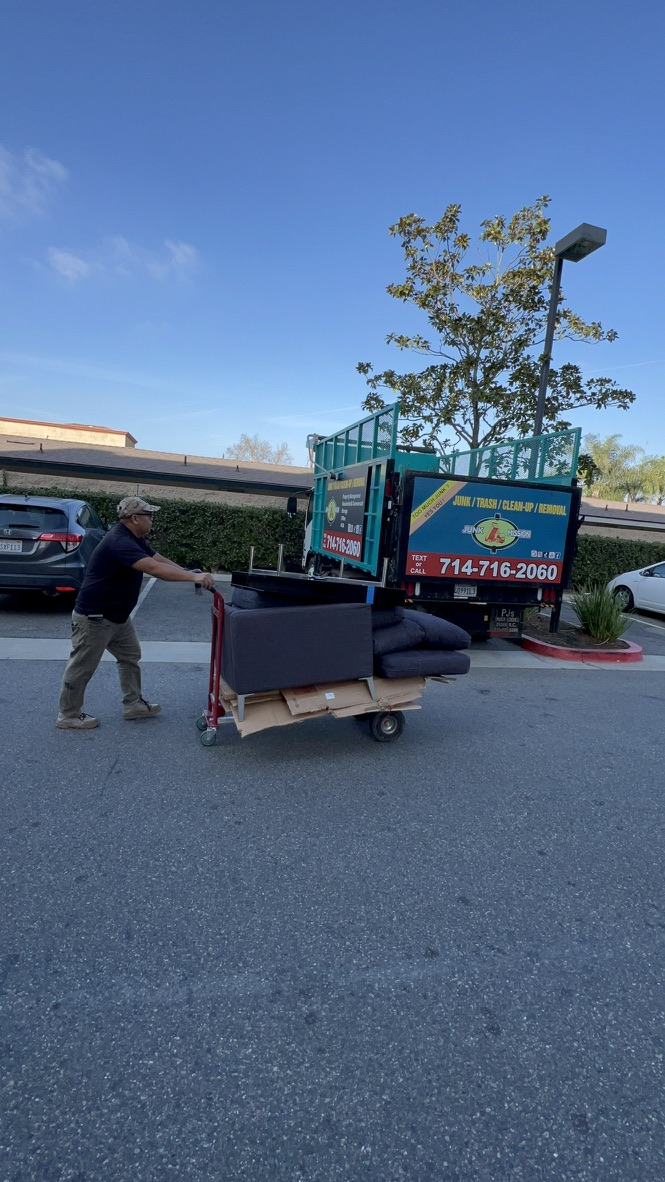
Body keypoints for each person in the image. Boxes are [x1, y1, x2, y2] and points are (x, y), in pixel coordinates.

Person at [56, 496, 215, 730]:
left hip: (117, 616)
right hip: (95, 617)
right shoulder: (119, 541)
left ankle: (133, 705)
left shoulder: (134, 538)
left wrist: (187, 572)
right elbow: (153, 568)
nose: (152, 519)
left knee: (130, 656)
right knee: (82, 666)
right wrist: (193, 577)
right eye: (149, 515)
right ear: (135, 518)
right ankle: (68, 715)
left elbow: (156, 558)